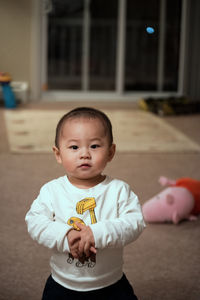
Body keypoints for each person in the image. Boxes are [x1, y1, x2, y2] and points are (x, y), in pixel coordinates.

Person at [25, 107, 146, 300]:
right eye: (74, 147)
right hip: (62, 283)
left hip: (110, 283)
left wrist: (97, 233)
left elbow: (135, 222)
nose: (84, 154)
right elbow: (35, 221)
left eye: (95, 146)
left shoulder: (118, 190)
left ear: (111, 152)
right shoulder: (52, 190)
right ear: (58, 154)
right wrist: (66, 236)